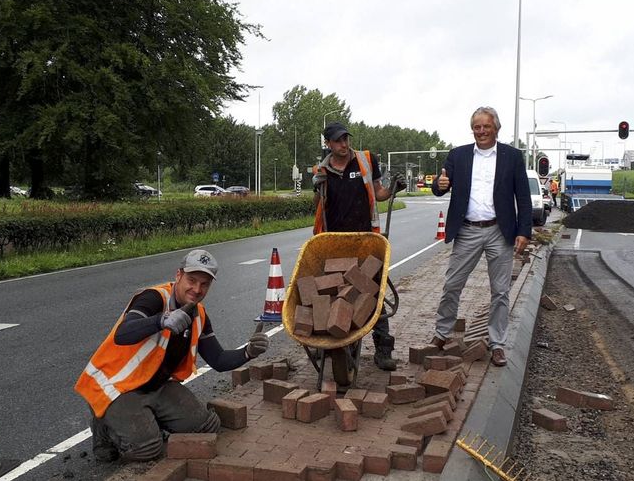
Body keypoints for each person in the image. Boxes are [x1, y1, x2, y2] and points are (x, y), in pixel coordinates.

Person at [74, 249, 269, 462]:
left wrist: (248, 352)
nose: (197, 289)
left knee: (206, 426)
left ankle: (149, 420)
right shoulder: (153, 298)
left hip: (157, 385)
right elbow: (123, 333)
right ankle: (103, 426)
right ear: (178, 275)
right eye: (192, 280)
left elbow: (218, 360)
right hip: (118, 388)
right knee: (147, 450)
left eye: (204, 284)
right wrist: (161, 320)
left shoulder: (199, 314)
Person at [431, 107, 531, 367]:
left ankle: (497, 343)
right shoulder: (458, 155)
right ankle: (441, 334)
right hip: (467, 230)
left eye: (486, 126)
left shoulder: (512, 157)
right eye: (477, 127)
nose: (482, 131)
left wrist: (524, 231)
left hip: (500, 231)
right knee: (452, 284)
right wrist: (439, 185)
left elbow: (523, 197)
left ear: (496, 128)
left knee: (500, 291)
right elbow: (440, 185)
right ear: (472, 129)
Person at [312, 121, 404, 371]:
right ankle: (336, 346)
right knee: (336, 295)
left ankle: (383, 349)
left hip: (365, 240)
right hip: (335, 243)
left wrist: (394, 188)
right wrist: (316, 186)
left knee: (373, 293)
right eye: (338, 140)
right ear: (329, 144)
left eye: (346, 139)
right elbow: (318, 205)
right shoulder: (322, 170)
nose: (344, 144)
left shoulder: (365, 160)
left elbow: (379, 192)